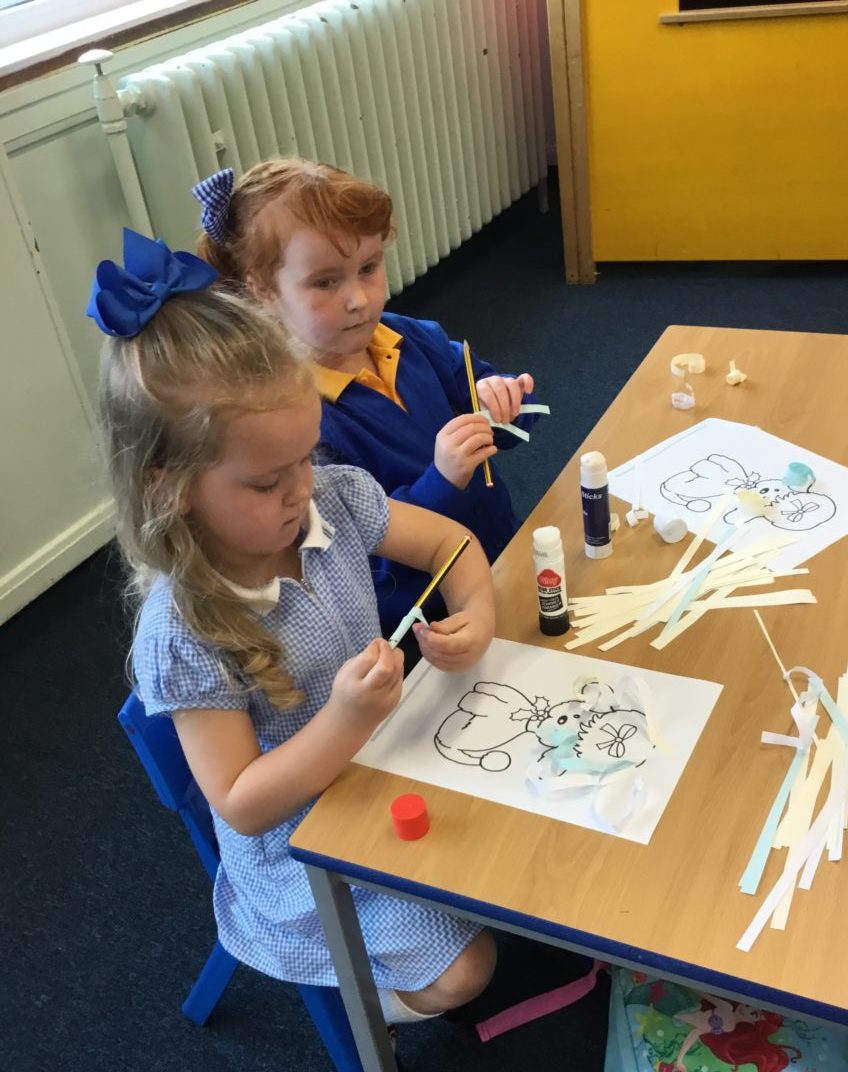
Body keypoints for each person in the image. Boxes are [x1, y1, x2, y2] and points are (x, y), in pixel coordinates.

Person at [89, 229, 497, 1022]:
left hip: (380, 759)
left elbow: (451, 545)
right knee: (463, 972)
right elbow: (242, 803)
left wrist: (475, 616)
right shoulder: (185, 630)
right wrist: (346, 721)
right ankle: (359, 1003)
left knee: (528, 852)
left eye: (307, 455)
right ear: (170, 488)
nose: (301, 489)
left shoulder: (332, 499)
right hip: (299, 843)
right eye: (266, 481)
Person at [191, 160, 540, 644]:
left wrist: (505, 398)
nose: (358, 299)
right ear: (263, 290)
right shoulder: (293, 421)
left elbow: (493, 400)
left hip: (502, 554)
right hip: (425, 623)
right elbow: (351, 555)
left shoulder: (411, 336)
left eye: (369, 269)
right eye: (326, 282)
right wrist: (442, 482)